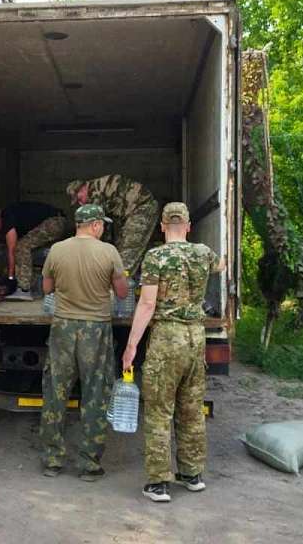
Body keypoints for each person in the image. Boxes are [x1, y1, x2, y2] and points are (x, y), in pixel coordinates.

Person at [121, 202, 225, 503]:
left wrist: (131, 346)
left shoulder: (156, 257)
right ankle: (192, 475)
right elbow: (221, 266)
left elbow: (147, 304)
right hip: (196, 337)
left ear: (163, 226)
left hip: (167, 338)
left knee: (159, 410)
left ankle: (158, 483)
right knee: (191, 408)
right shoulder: (204, 253)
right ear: (189, 226)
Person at [39, 204, 128, 481]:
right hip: (96, 329)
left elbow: (46, 288)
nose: (103, 228)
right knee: (94, 394)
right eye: (102, 223)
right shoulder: (109, 252)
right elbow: (123, 292)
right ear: (95, 225)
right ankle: (89, 464)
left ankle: (53, 461)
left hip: (63, 327)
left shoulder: (57, 250)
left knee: (56, 391)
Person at [66, 175, 159, 276]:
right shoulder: (96, 188)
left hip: (143, 208)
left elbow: (95, 229)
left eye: (80, 198)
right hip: (131, 212)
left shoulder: (96, 193)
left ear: (83, 188)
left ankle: (121, 283)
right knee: (122, 247)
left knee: (129, 249)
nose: (81, 203)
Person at [0, 201, 69, 301]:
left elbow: (12, 250)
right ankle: (36, 286)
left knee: (22, 247)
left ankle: (24, 289)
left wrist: (10, 277)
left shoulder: (7, 218)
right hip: (58, 220)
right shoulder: (12, 215)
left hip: (54, 222)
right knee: (28, 248)